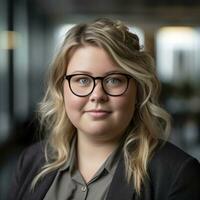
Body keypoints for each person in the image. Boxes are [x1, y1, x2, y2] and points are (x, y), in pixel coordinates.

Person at [9, 18, 200, 200]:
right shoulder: (31, 161)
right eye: (82, 80)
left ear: (138, 91)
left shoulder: (177, 174)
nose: (97, 95)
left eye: (114, 80)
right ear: (62, 90)